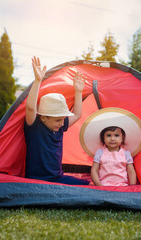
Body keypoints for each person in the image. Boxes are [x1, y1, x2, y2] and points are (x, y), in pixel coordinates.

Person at [24, 56, 89, 185]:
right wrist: (38, 80)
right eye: (58, 120)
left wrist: (78, 91)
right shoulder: (34, 127)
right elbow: (30, 107)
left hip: (57, 178)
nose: (61, 123)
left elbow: (77, 114)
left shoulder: (59, 126)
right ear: (43, 118)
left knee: (86, 185)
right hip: (35, 180)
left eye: (63, 119)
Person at [79, 107, 141, 187]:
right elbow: (94, 169)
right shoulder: (100, 152)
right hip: (104, 185)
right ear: (103, 138)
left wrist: (132, 186)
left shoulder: (126, 154)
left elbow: (131, 171)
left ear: (122, 138)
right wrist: (99, 185)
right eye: (108, 135)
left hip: (122, 186)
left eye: (116, 135)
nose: (112, 139)